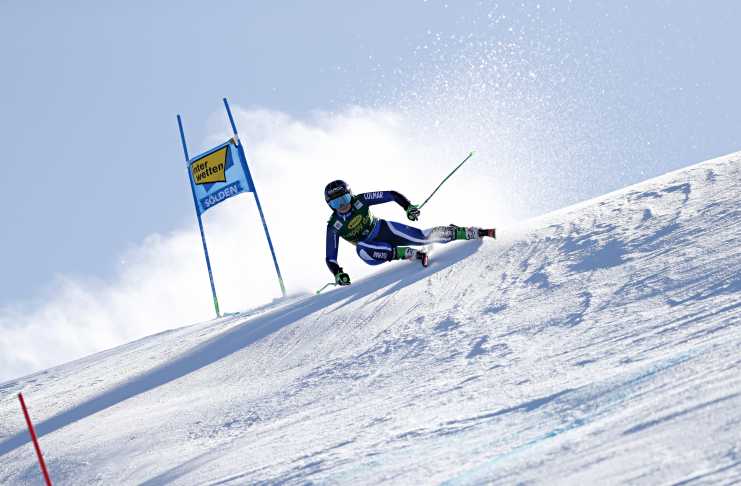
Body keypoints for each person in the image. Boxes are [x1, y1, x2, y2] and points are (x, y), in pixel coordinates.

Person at [324, 179, 495, 286]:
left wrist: (408, 207)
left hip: (385, 230)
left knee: (422, 238)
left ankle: (464, 232)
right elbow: (331, 257)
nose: (342, 205)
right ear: (330, 205)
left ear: (351, 195)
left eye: (344, 199)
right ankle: (405, 253)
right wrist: (338, 273)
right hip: (373, 250)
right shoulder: (334, 225)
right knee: (361, 248)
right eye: (335, 203)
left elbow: (391, 195)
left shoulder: (361, 200)